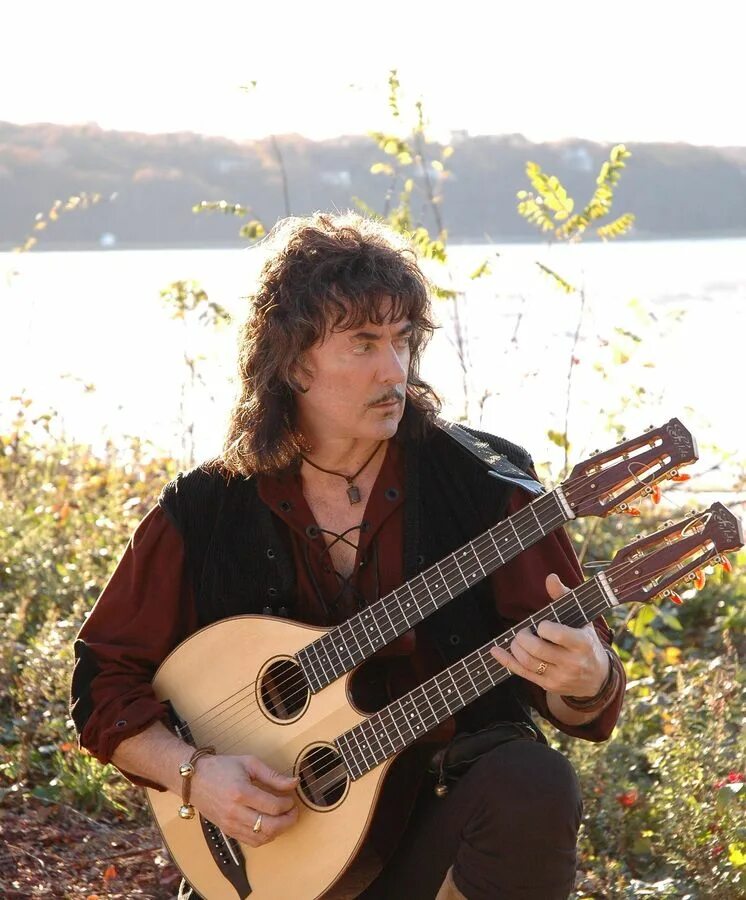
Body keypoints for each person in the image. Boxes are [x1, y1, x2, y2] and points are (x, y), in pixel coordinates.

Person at [70, 211, 625, 900]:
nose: (393, 371)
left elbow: (585, 706)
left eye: (403, 339)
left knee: (534, 781)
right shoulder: (207, 509)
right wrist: (195, 774)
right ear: (292, 360)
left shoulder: (485, 486)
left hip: (441, 818)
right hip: (282, 850)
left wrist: (587, 679)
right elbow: (102, 683)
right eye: (363, 344)